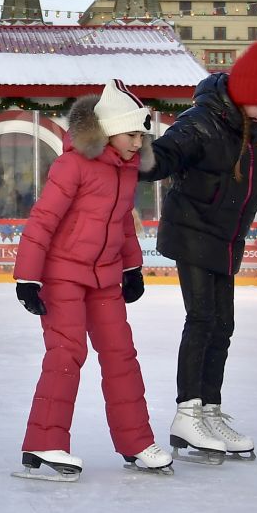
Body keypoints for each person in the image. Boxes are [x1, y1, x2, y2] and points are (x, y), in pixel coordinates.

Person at [139, 39, 257, 462]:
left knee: (223, 326)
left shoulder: (254, 132)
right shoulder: (200, 122)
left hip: (226, 238)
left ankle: (210, 410)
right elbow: (164, 158)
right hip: (192, 230)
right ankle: (187, 413)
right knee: (202, 319)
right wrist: (139, 151)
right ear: (244, 95)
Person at [12, 80, 172, 481]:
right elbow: (43, 220)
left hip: (104, 278)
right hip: (62, 274)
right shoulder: (73, 165)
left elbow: (122, 224)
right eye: (132, 133)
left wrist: (132, 268)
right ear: (109, 129)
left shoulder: (126, 171)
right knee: (66, 354)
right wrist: (28, 277)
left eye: (142, 135)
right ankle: (43, 441)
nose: (139, 142)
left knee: (121, 355)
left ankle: (136, 441)